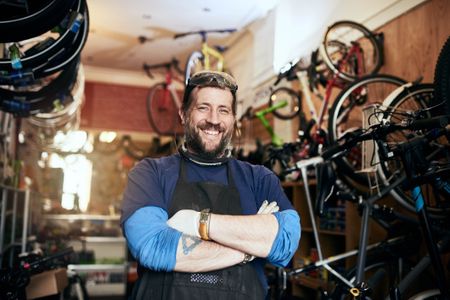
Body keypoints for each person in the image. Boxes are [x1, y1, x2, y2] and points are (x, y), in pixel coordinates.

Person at [120, 70, 301, 299]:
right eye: (203, 107)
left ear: (233, 119)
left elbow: (285, 242)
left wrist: (198, 223)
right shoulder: (150, 174)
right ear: (184, 114)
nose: (214, 120)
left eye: (223, 110)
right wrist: (249, 249)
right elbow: (154, 247)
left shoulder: (259, 179)